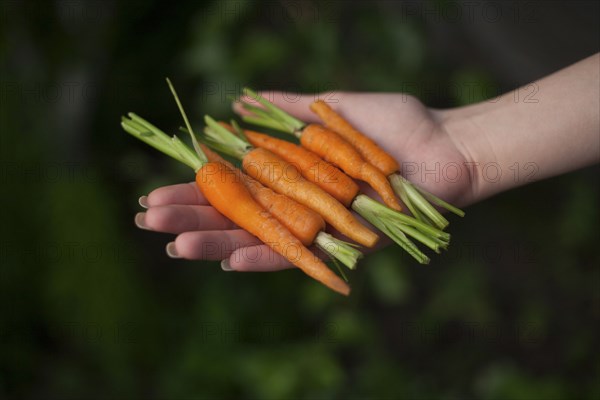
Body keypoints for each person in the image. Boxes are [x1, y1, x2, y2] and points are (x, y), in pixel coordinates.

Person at [133, 53, 599, 271]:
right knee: (288, 190)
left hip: (307, 162)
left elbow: (314, 178)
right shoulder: (246, 167)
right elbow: (278, 195)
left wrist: (461, 150)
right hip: (252, 169)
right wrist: (466, 154)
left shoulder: (321, 147)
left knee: (310, 183)